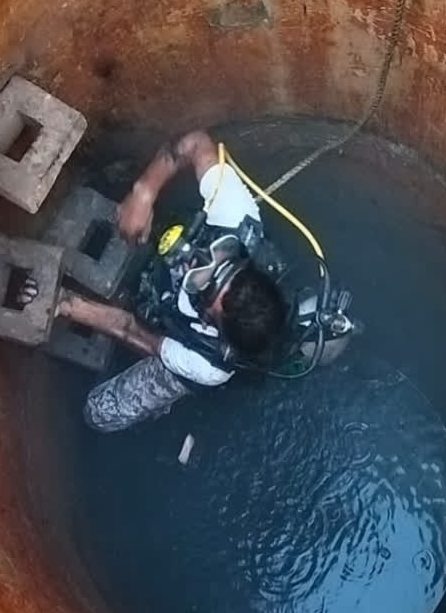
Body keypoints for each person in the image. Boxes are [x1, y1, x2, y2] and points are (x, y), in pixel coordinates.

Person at [54, 130, 289, 432]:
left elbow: (131, 330)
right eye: (221, 261)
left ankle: (165, 398)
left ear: (208, 320)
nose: (198, 262)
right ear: (246, 264)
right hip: (185, 315)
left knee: (99, 413)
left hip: (184, 349)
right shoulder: (237, 220)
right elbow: (196, 143)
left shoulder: (208, 364)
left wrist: (65, 304)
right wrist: (144, 193)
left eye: (203, 286)